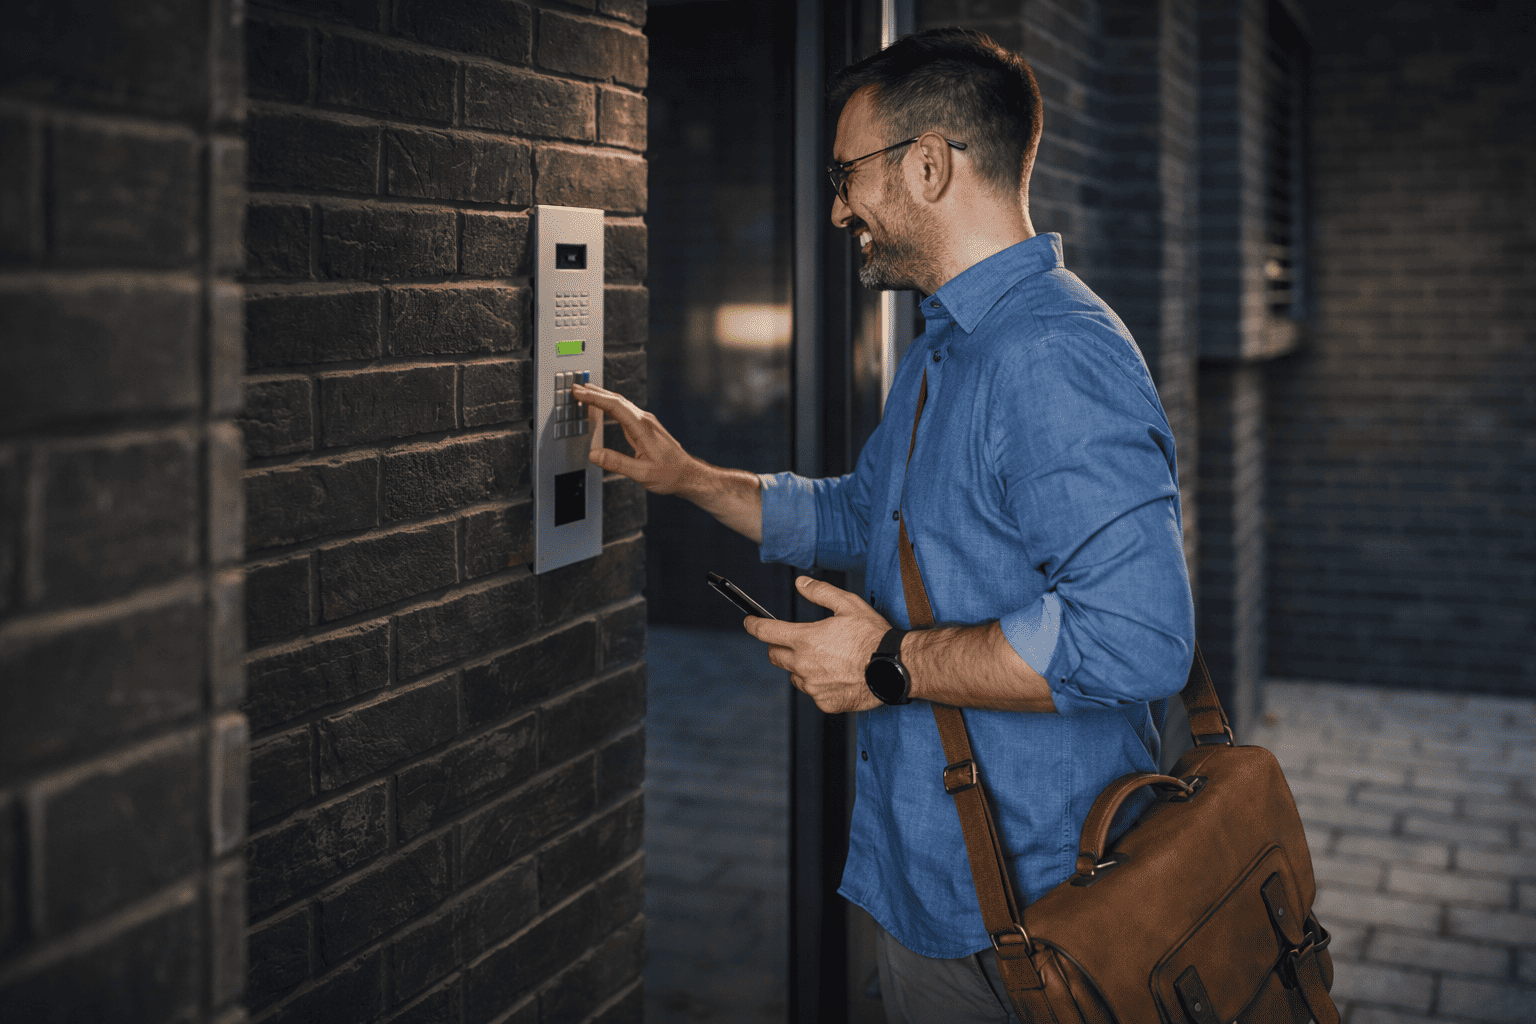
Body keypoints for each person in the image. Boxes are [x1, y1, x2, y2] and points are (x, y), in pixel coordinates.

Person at [573, 28, 1194, 1024]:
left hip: (1040, 917)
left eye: (845, 173)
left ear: (930, 164)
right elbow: (865, 513)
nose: (836, 208)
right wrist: (690, 478)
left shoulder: (1051, 355)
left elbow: (1137, 634)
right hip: (940, 889)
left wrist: (889, 665)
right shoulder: (950, 343)